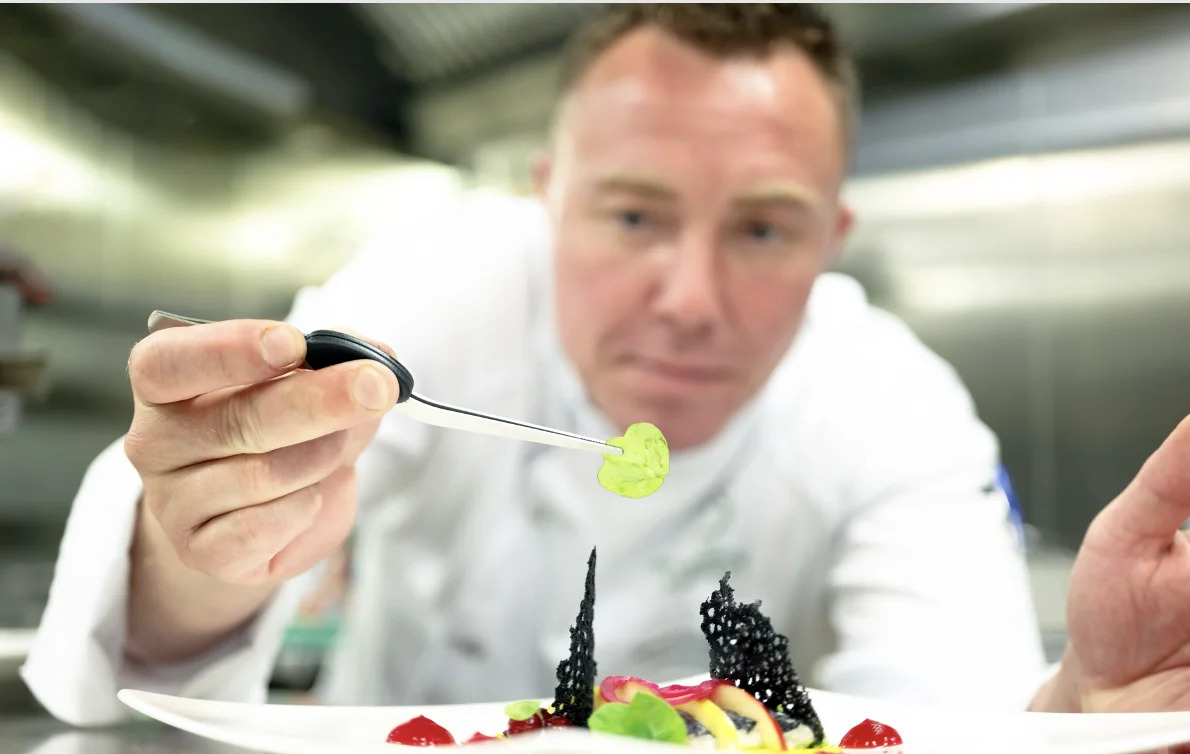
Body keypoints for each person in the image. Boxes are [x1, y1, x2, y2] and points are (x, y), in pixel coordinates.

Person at [19, 3, 1190, 728]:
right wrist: (204, 550)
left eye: (762, 229)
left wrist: (1080, 714)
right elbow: (150, 629)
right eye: (632, 218)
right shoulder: (441, 287)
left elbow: (946, 711)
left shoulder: (889, 402)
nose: (687, 301)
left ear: (831, 240)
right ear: (548, 201)